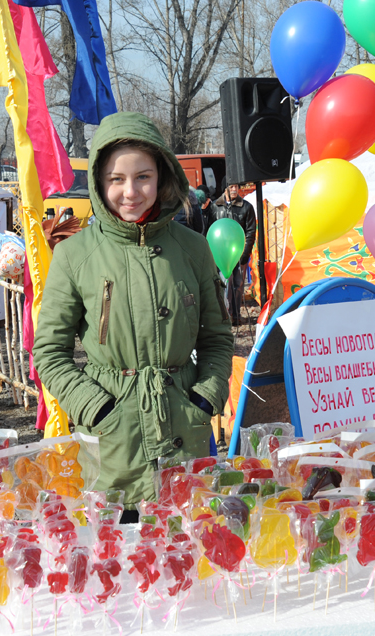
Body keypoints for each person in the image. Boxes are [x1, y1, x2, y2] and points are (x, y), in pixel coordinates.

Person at [33, 112, 234, 517]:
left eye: (143, 176)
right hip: (113, 441)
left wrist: (206, 397)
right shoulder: (75, 255)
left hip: (186, 431)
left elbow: (217, 337)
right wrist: (95, 407)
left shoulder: (193, 248)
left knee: (189, 557)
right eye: (116, 179)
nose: (131, 192)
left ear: (162, 176)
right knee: (121, 566)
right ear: (99, 183)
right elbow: (50, 352)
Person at [212, 179, 256, 326]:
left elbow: (251, 231)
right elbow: (210, 230)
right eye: (231, 186)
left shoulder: (246, 207)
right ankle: (225, 317)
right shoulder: (215, 206)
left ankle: (236, 317)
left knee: (238, 285)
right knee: (224, 285)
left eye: (236, 186)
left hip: (239, 254)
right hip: (221, 256)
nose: (234, 189)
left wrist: (245, 253)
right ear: (225, 188)